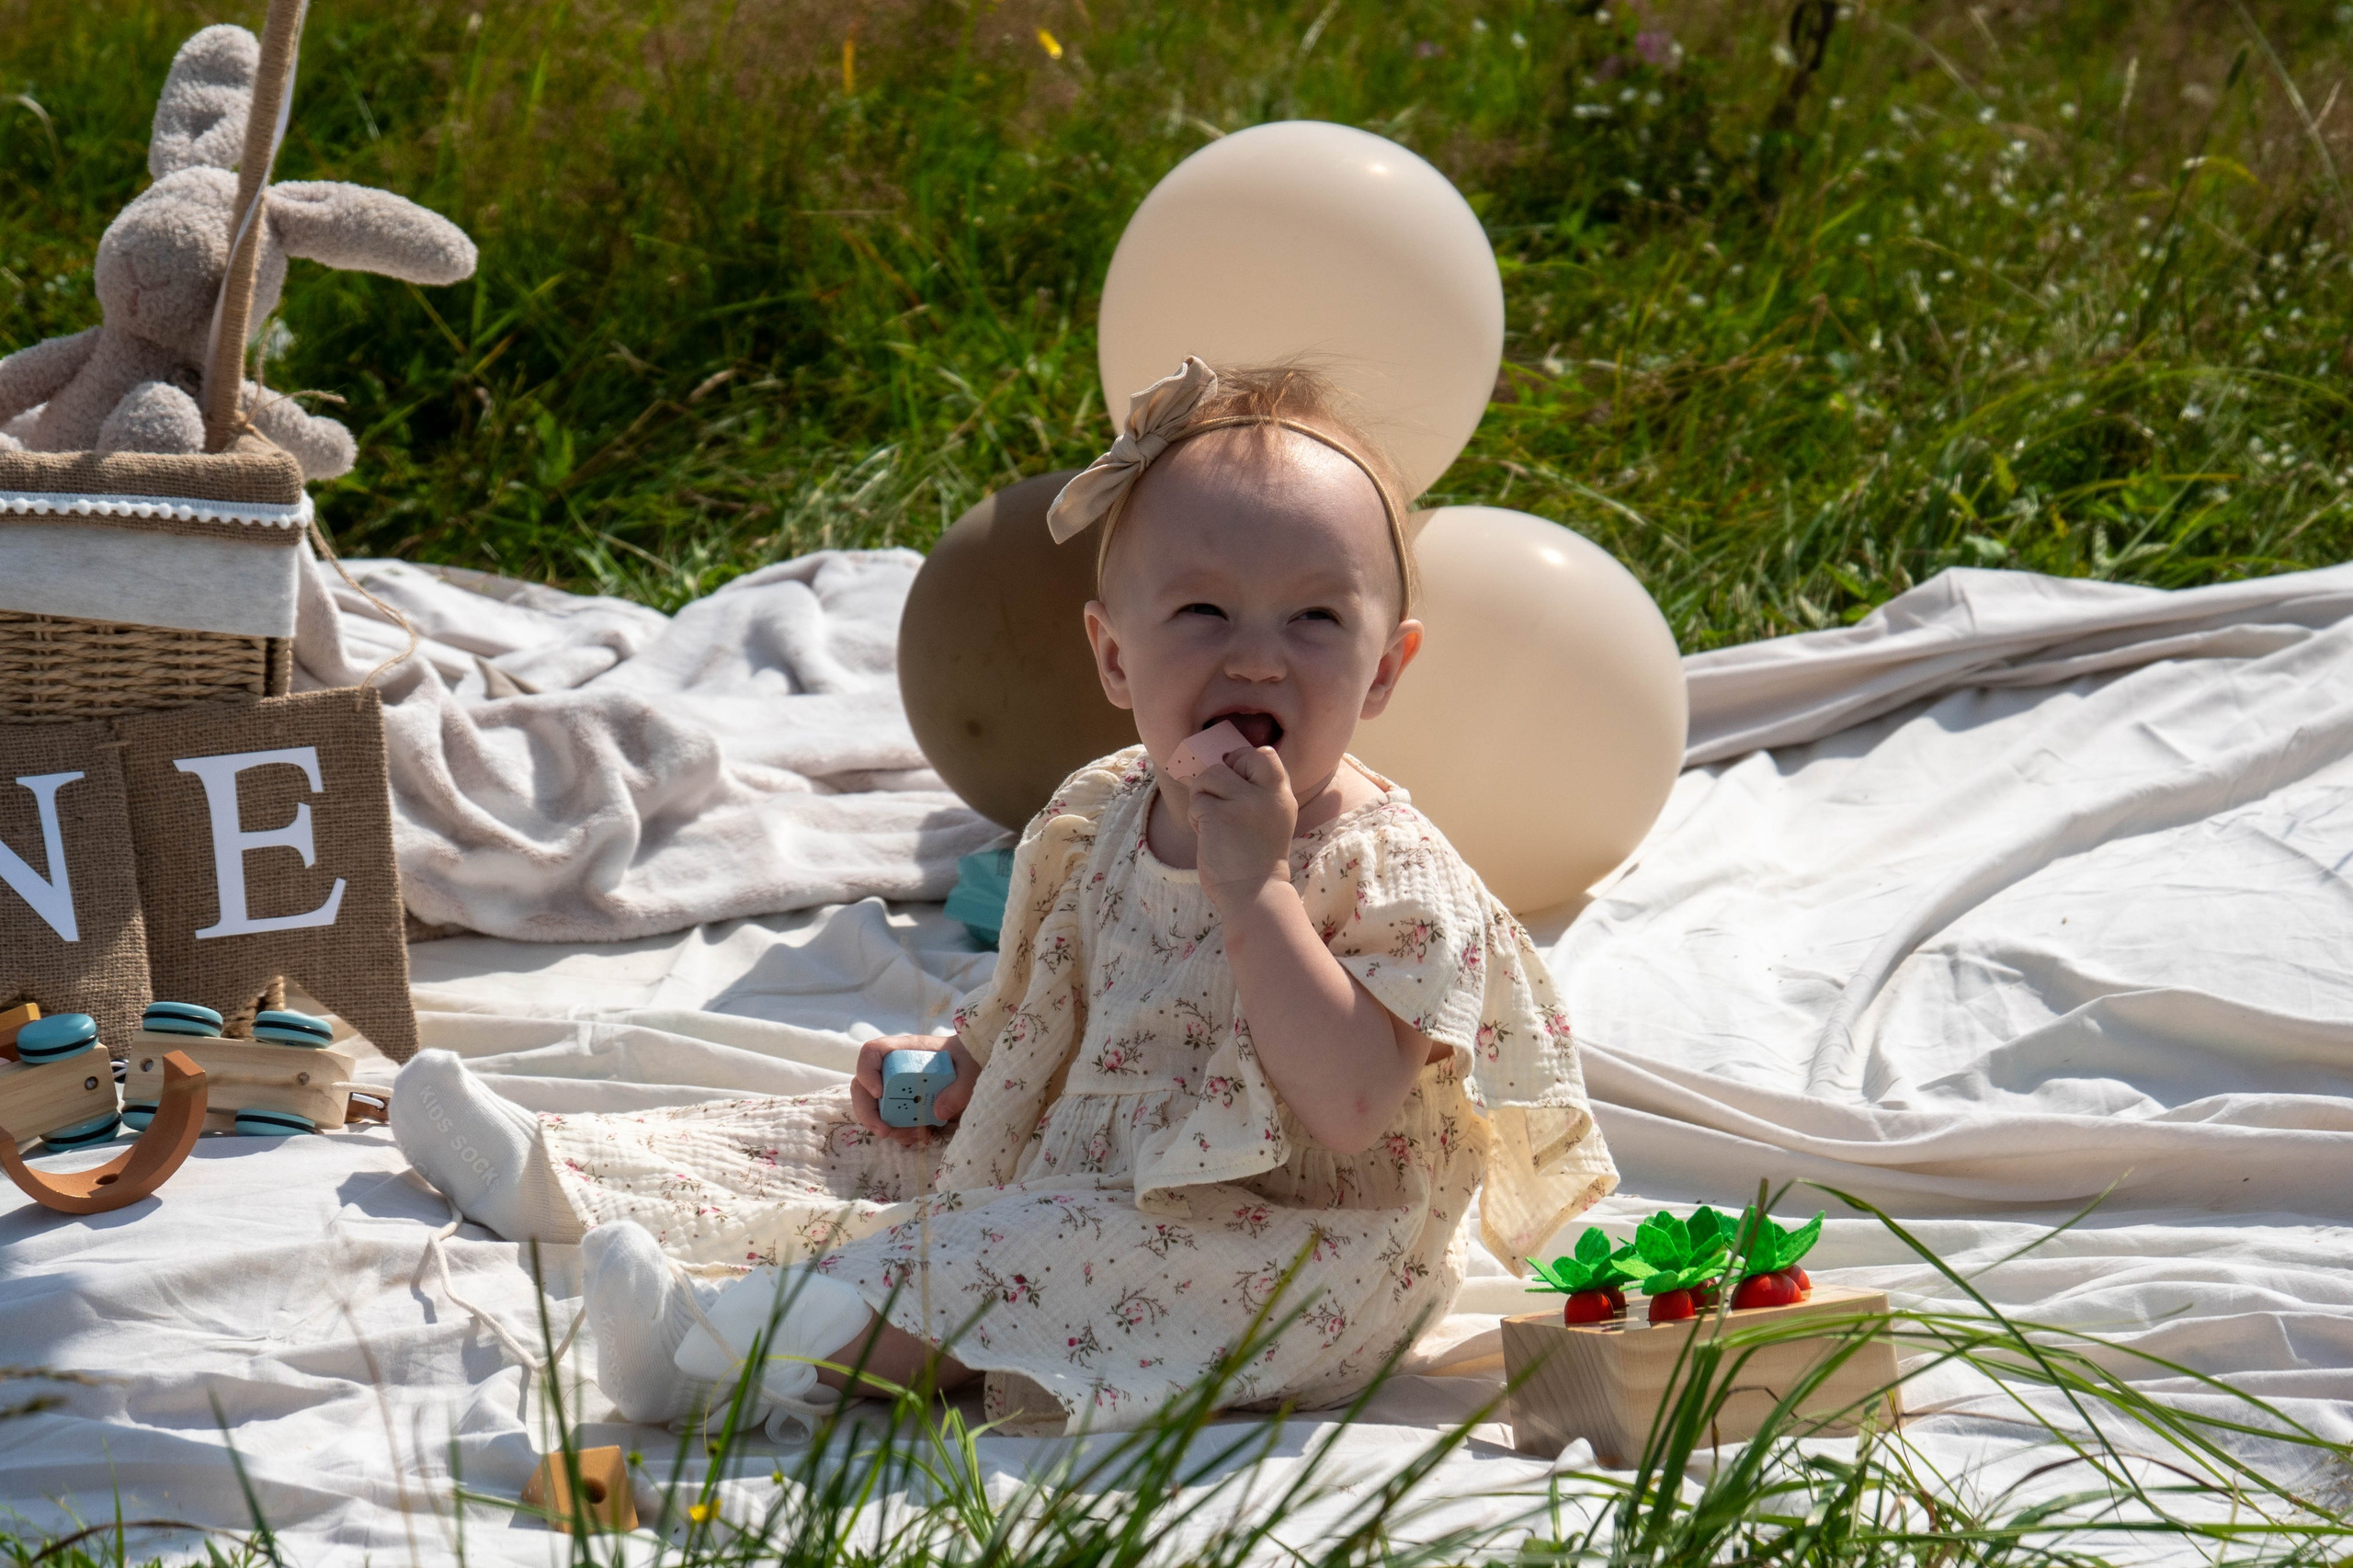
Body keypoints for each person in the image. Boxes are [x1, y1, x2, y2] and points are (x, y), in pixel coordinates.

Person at [392, 357, 1617, 1435]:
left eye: (1314, 617)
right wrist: (961, 1065)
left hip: (1286, 1247)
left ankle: (729, 1353)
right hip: (1088, 1148)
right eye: (1203, 611)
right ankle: (556, 1172)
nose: (1256, 654)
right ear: (1114, 653)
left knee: (1011, 1256)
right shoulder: (1102, 809)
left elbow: (1351, 1105)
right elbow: (1046, 996)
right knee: (845, 1143)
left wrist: (1257, 898)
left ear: (1386, 664)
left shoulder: (1385, 870)